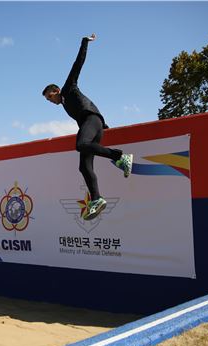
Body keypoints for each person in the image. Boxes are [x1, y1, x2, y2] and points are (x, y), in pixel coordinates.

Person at [43, 33, 133, 220]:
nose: (50, 101)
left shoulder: (69, 88)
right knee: (84, 167)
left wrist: (85, 42)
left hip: (92, 120)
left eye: (50, 97)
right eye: (48, 100)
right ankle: (97, 199)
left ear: (56, 90)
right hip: (92, 125)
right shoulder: (65, 104)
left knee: (80, 145)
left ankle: (120, 157)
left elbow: (78, 64)